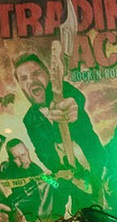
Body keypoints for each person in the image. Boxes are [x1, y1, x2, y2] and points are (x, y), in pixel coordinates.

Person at [14, 51, 105, 198]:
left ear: (47, 75)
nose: (31, 81)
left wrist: (71, 108)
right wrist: (58, 169)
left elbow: (76, 99)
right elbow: (42, 150)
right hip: (73, 182)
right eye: (24, 79)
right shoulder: (29, 120)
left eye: (36, 73)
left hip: (98, 168)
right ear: (21, 86)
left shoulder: (64, 92)